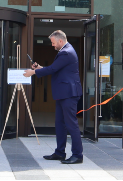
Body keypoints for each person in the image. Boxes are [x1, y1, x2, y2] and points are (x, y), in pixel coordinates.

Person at [24, 30, 83, 164]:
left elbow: (52, 69)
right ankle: (60, 153)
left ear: (60, 41)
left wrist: (33, 72)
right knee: (60, 124)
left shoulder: (66, 52)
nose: (52, 45)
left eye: (53, 43)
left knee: (71, 125)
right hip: (63, 94)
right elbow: (55, 69)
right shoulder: (65, 51)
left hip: (68, 94)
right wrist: (39, 68)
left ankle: (78, 155)